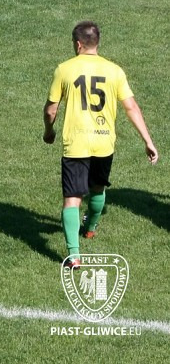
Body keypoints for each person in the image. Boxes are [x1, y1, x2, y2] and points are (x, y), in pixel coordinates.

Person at [43, 21, 158, 268]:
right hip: (104, 142)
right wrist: (148, 141)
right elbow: (131, 107)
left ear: (78, 44)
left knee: (72, 198)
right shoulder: (115, 71)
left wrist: (49, 130)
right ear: (97, 43)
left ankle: (74, 255)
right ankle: (91, 227)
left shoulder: (65, 69)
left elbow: (51, 109)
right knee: (97, 188)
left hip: (76, 143)